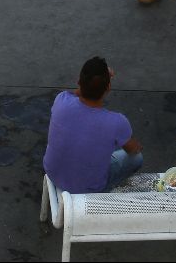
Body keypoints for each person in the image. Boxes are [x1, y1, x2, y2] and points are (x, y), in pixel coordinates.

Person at [43, 56, 144, 193]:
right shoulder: (117, 122)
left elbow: (78, 94)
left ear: (79, 82)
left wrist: (91, 81)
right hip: (88, 189)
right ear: (108, 87)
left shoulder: (61, 101)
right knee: (137, 158)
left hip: (53, 174)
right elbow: (133, 150)